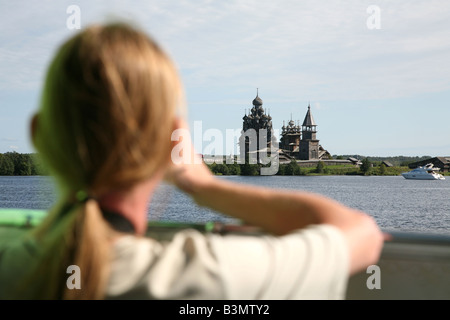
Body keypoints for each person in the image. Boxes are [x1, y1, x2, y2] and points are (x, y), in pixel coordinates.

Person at [0, 22, 383, 300]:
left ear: (40, 135)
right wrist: (205, 186)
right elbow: (361, 233)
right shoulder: (212, 276)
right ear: (173, 137)